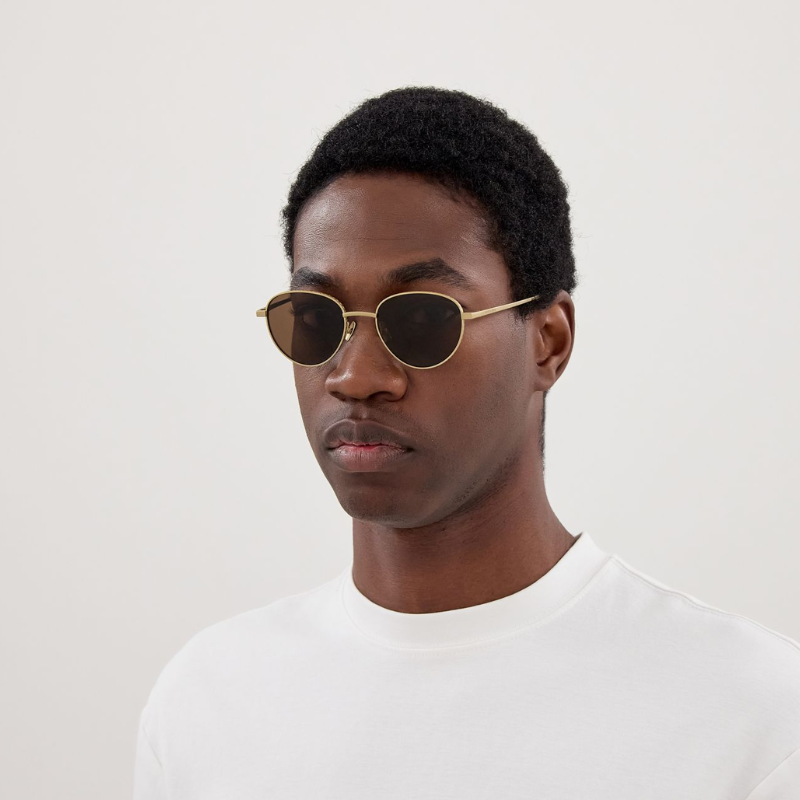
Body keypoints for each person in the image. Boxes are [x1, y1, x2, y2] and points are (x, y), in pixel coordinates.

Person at [132, 86, 800, 799]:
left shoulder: (750, 717)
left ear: (549, 342)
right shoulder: (208, 703)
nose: (355, 376)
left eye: (422, 319)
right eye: (317, 318)